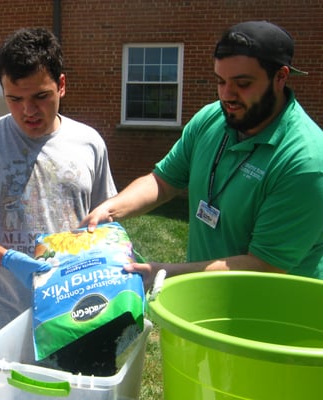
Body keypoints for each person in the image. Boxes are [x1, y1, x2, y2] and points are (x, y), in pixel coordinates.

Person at [81, 21, 323, 289]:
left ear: (280, 77)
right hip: (202, 298)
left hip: (270, 316)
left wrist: (160, 274)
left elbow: (265, 265)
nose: (227, 95)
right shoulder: (212, 118)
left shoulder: (305, 161)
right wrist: (110, 210)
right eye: (221, 81)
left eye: (243, 83)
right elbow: (162, 181)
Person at [0, 27, 117, 342]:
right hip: (3, 325)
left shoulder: (89, 143)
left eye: (40, 96)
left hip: (75, 316)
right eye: (14, 99)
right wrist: (5, 257)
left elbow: (106, 222)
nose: (27, 111)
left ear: (61, 86)